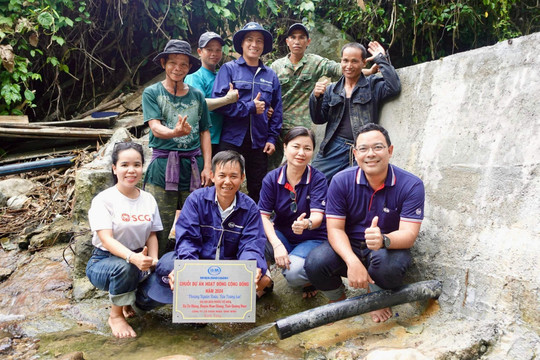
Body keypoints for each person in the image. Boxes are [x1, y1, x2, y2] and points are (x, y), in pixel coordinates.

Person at [304, 124, 425, 323]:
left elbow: (409, 235)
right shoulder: (340, 180)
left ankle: (375, 297)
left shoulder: (411, 185)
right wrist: (352, 261)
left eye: (378, 147)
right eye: (363, 149)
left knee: (390, 267)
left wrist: (384, 239)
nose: (370, 154)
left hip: (385, 249)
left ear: (390, 150)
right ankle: (339, 301)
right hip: (350, 245)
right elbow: (334, 229)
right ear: (355, 153)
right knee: (315, 263)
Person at [137, 151, 273, 307]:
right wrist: (188, 269)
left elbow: (251, 244)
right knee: (164, 274)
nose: (227, 182)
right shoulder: (196, 200)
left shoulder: (250, 208)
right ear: (212, 176)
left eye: (233, 176)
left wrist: (250, 268)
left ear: (242, 178)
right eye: (222, 175)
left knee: (259, 275)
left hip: (230, 267)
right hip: (199, 265)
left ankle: (233, 300)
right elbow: (187, 239)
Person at [269, 23, 376, 169]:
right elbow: (268, 92)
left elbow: (343, 69)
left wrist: (369, 72)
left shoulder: (315, 62)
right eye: (293, 37)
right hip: (276, 123)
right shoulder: (276, 66)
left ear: (308, 42)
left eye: (301, 37)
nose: (297, 41)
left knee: (295, 166)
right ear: (287, 41)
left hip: (299, 125)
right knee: (271, 167)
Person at [142, 39, 212, 256]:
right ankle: (153, 269)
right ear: (164, 63)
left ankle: (194, 272)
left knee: (198, 223)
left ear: (189, 68)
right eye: (173, 63)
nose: (178, 68)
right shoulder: (152, 93)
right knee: (158, 225)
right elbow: (155, 128)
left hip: (193, 166)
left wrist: (207, 166)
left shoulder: (197, 95)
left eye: (184, 64)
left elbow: (204, 132)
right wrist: (174, 133)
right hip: (163, 166)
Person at [86, 142, 163, 338]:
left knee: (165, 272)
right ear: (114, 168)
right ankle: (115, 315)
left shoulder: (148, 199)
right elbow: (106, 239)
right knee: (125, 267)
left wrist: (153, 260)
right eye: (124, 165)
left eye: (137, 165)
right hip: (104, 261)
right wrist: (133, 258)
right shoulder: (103, 200)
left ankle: (131, 301)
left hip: (139, 259)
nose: (131, 170)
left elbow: (152, 234)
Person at [310, 41, 401, 183]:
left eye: (354, 61)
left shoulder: (372, 85)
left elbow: (394, 87)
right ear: (340, 61)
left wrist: (381, 59)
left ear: (364, 63)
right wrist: (316, 97)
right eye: (345, 61)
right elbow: (318, 119)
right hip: (334, 146)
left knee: (354, 188)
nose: (349, 66)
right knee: (312, 180)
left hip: (362, 148)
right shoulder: (331, 89)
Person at [212, 22, 283, 203]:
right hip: (231, 138)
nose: (254, 44)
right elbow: (219, 105)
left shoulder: (270, 75)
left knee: (258, 187)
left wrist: (271, 138)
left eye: (259, 41)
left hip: (258, 140)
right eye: (249, 39)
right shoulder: (228, 70)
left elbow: (276, 110)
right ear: (242, 44)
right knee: (225, 183)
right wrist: (249, 107)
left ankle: (256, 226)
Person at [258, 126, 328, 298]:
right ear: (285, 147)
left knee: (293, 273)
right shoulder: (272, 179)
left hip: (312, 238)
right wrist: (277, 245)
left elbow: (318, 217)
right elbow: (263, 216)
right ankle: (263, 282)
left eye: (307, 148)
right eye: (296, 146)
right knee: (255, 240)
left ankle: (309, 279)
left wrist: (307, 223)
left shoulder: (318, 179)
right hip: (283, 235)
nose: (301, 153)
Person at [185, 31, 239, 156]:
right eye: (209, 50)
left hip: (222, 137)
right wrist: (227, 99)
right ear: (199, 52)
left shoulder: (221, 75)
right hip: (203, 137)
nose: (214, 54)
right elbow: (197, 105)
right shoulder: (195, 76)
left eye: (218, 50)